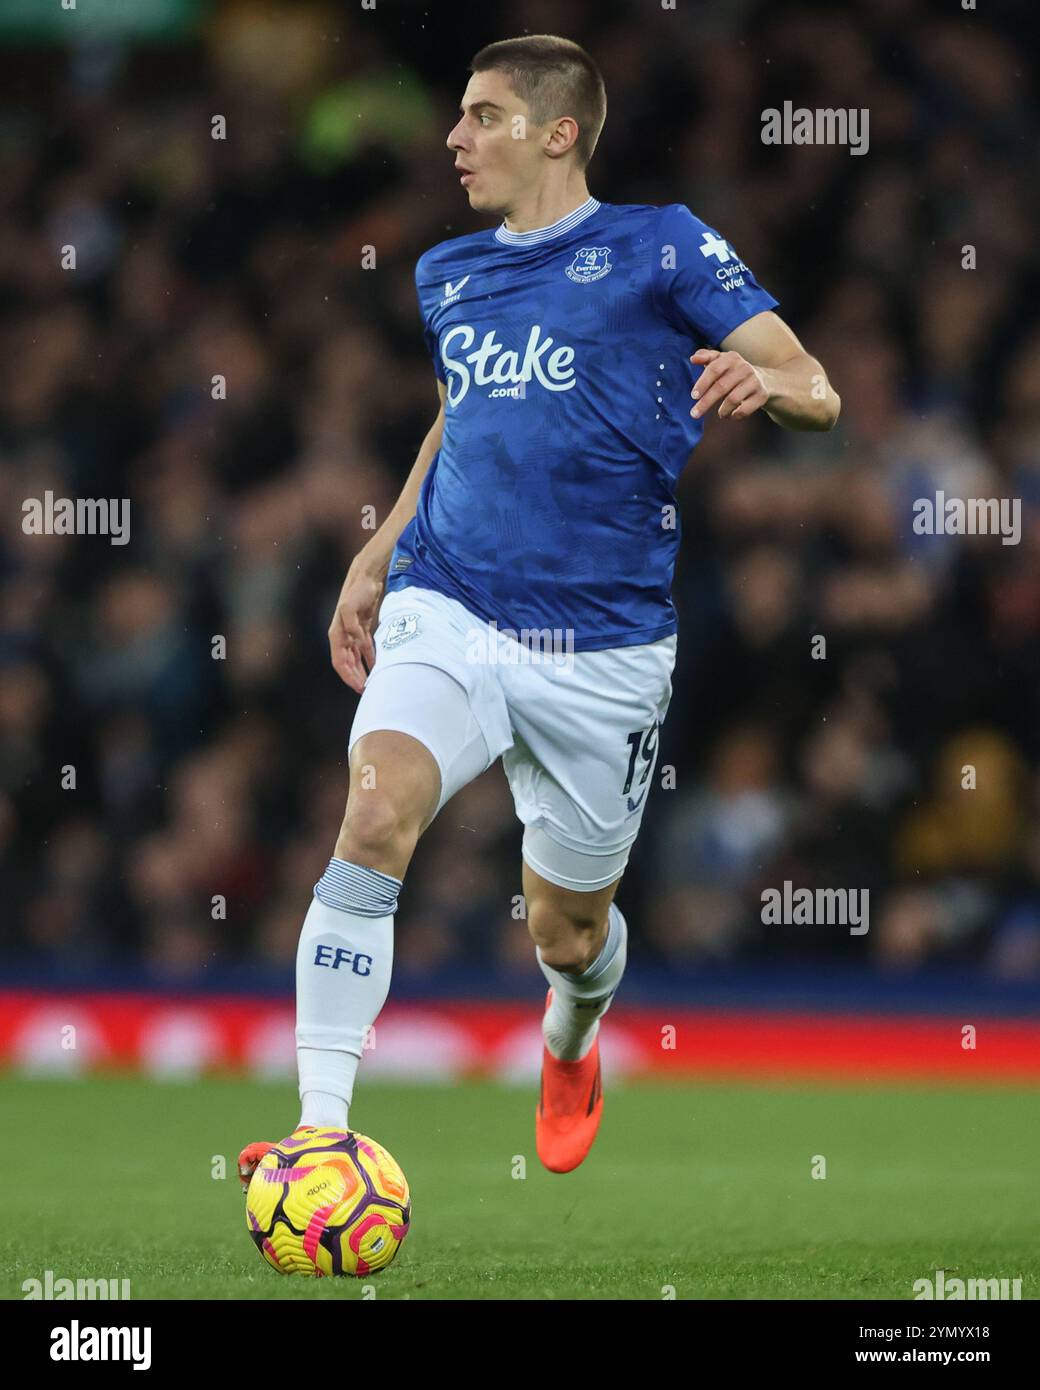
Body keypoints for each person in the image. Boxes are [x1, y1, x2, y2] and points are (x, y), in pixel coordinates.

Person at [239, 33, 839, 1190]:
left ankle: (569, 1036)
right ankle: (321, 1132)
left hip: (602, 648)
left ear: (555, 132)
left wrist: (765, 385)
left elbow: (815, 384)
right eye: (458, 117)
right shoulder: (446, 273)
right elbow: (462, 415)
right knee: (372, 820)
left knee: (564, 931)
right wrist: (378, 548)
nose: (453, 138)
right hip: (449, 603)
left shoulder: (659, 244)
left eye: (479, 116)